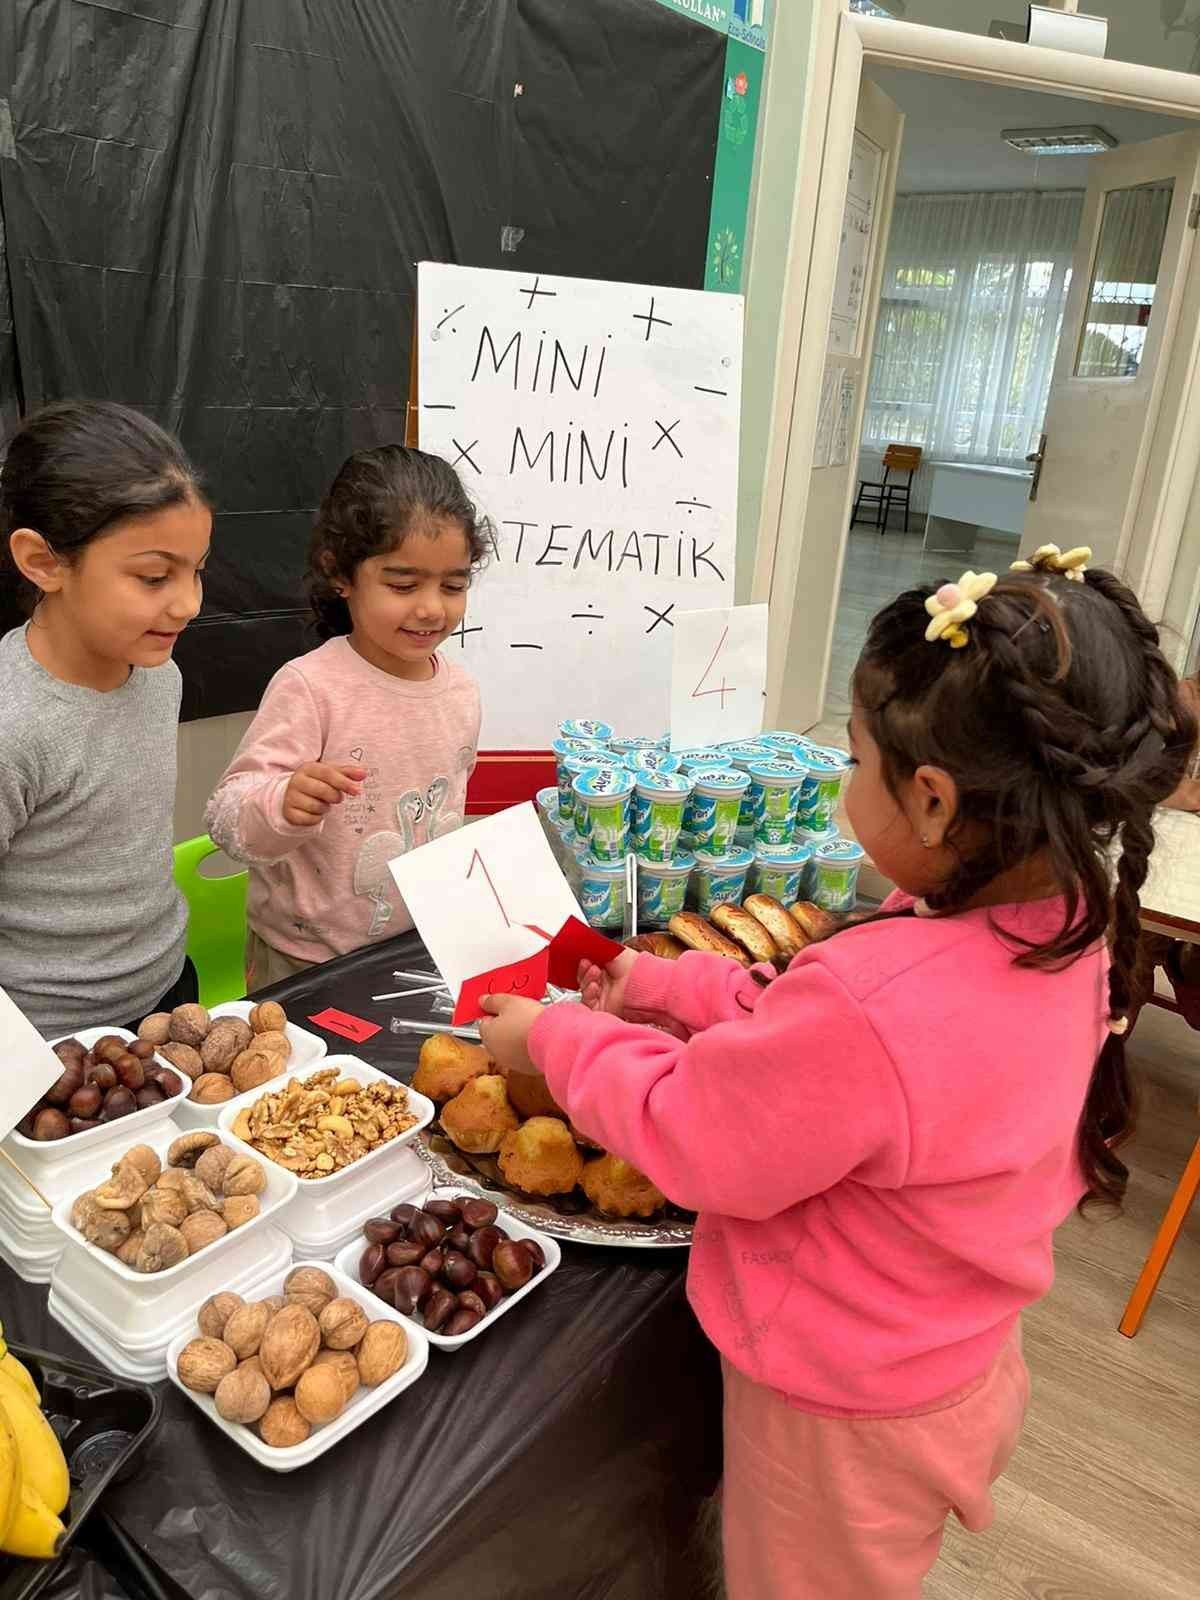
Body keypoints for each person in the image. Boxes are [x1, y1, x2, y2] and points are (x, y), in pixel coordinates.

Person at [479, 547, 1195, 1600]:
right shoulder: (1061, 930)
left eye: (856, 763)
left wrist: (553, 1042)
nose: (848, 783)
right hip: (949, 1360)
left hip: (838, 1412)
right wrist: (663, 988)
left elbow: (698, 1130)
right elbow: (806, 1034)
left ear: (937, 801)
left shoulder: (876, 1002)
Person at [206, 445, 484, 987]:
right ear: (341, 574)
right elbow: (226, 818)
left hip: (414, 949)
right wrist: (283, 802)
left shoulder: (463, 692)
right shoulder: (311, 687)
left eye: (454, 585)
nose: (432, 607)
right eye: (403, 585)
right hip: (303, 962)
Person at [0, 399, 209, 1036]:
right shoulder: (12, 724)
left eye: (197, 571)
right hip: (50, 1038)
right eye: (153, 577)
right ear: (43, 562)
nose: (189, 604)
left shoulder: (158, 674)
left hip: (168, 990)